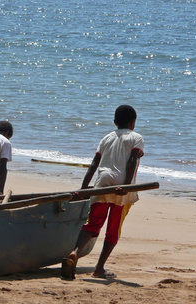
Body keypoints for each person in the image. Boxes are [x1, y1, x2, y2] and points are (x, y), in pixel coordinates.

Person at [61, 105, 144, 280]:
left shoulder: (106, 138)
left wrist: (84, 189)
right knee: (113, 229)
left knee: (92, 225)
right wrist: (127, 186)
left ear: (115, 122)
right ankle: (99, 268)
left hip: (102, 183)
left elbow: (93, 165)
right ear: (133, 122)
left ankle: (74, 253)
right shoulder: (136, 138)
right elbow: (132, 160)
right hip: (122, 186)